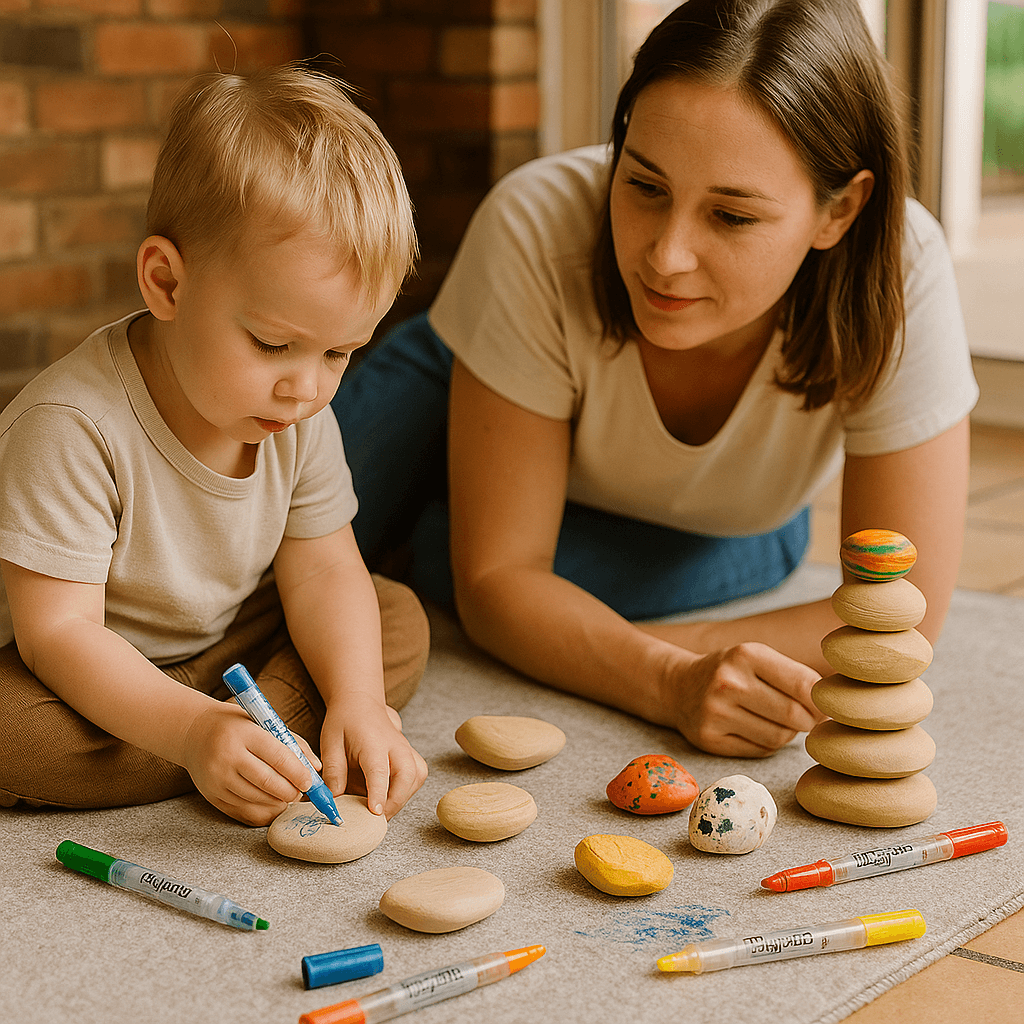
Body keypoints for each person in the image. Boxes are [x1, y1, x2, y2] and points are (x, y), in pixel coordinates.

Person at [332, 0, 978, 758]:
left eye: (732, 217)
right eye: (643, 186)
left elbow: (897, 623)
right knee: (282, 541)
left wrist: (549, 622)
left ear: (840, 211)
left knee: (455, 568)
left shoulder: (905, 270)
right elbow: (501, 581)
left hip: (716, 523)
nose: (666, 257)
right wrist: (668, 678)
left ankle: (435, 534)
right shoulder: (535, 223)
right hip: (453, 387)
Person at [0, 64, 430, 825]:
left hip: (228, 638)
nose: (308, 389)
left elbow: (326, 569)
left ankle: (257, 743)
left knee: (391, 618)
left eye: (339, 354)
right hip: (81, 662)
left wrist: (360, 700)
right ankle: (238, 743)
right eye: (273, 344)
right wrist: (193, 727)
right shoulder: (70, 426)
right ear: (166, 283)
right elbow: (58, 635)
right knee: (13, 732)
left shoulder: (297, 414)